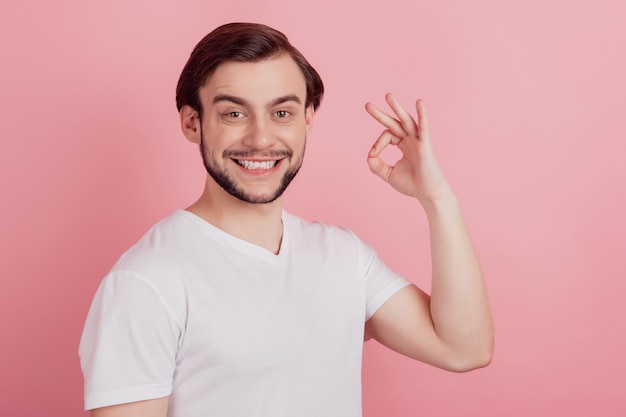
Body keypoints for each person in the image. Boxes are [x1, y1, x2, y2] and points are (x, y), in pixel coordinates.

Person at [79, 22, 494, 417]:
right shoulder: (147, 282)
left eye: (282, 113)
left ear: (307, 120)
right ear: (193, 122)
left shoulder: (344, 257)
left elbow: (464, 349)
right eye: (234, 114)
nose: (261, 139)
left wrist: (437, 198)